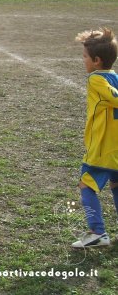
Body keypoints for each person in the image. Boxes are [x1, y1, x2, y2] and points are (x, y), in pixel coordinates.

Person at [71, 28, 118, 248]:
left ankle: (97, 232)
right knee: (116, 184)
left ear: (97, 61)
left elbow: (113, 98)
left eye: (84, 57)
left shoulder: (95, 80)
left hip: (102, 148)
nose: (83, 61)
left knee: (86, 185)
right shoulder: (115, 77)